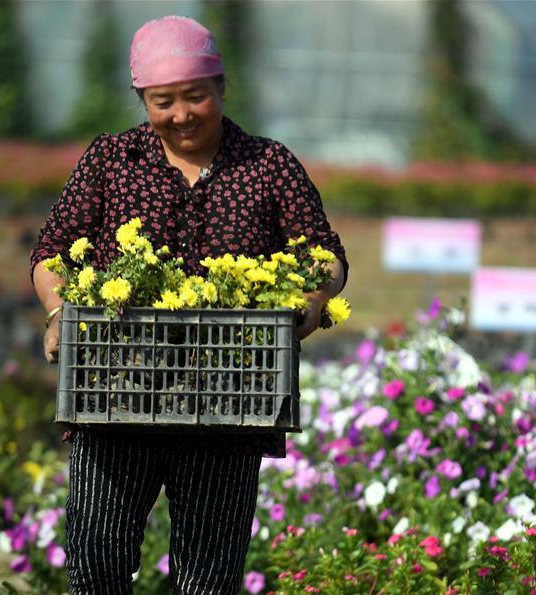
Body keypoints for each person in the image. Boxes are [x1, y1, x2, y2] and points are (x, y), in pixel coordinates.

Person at [29, 15, 348, 595]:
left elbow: (325, 252)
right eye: (163, 101)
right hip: (115, 393)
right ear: (142, 100)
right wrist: (57, 313)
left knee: (209, 578)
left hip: (228, 400)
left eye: (196, 96)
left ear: (222, 88)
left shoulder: (268, 165)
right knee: (95, 560)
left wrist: (312, 297)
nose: (182, 115)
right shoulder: (111, 160)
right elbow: (53, 253)